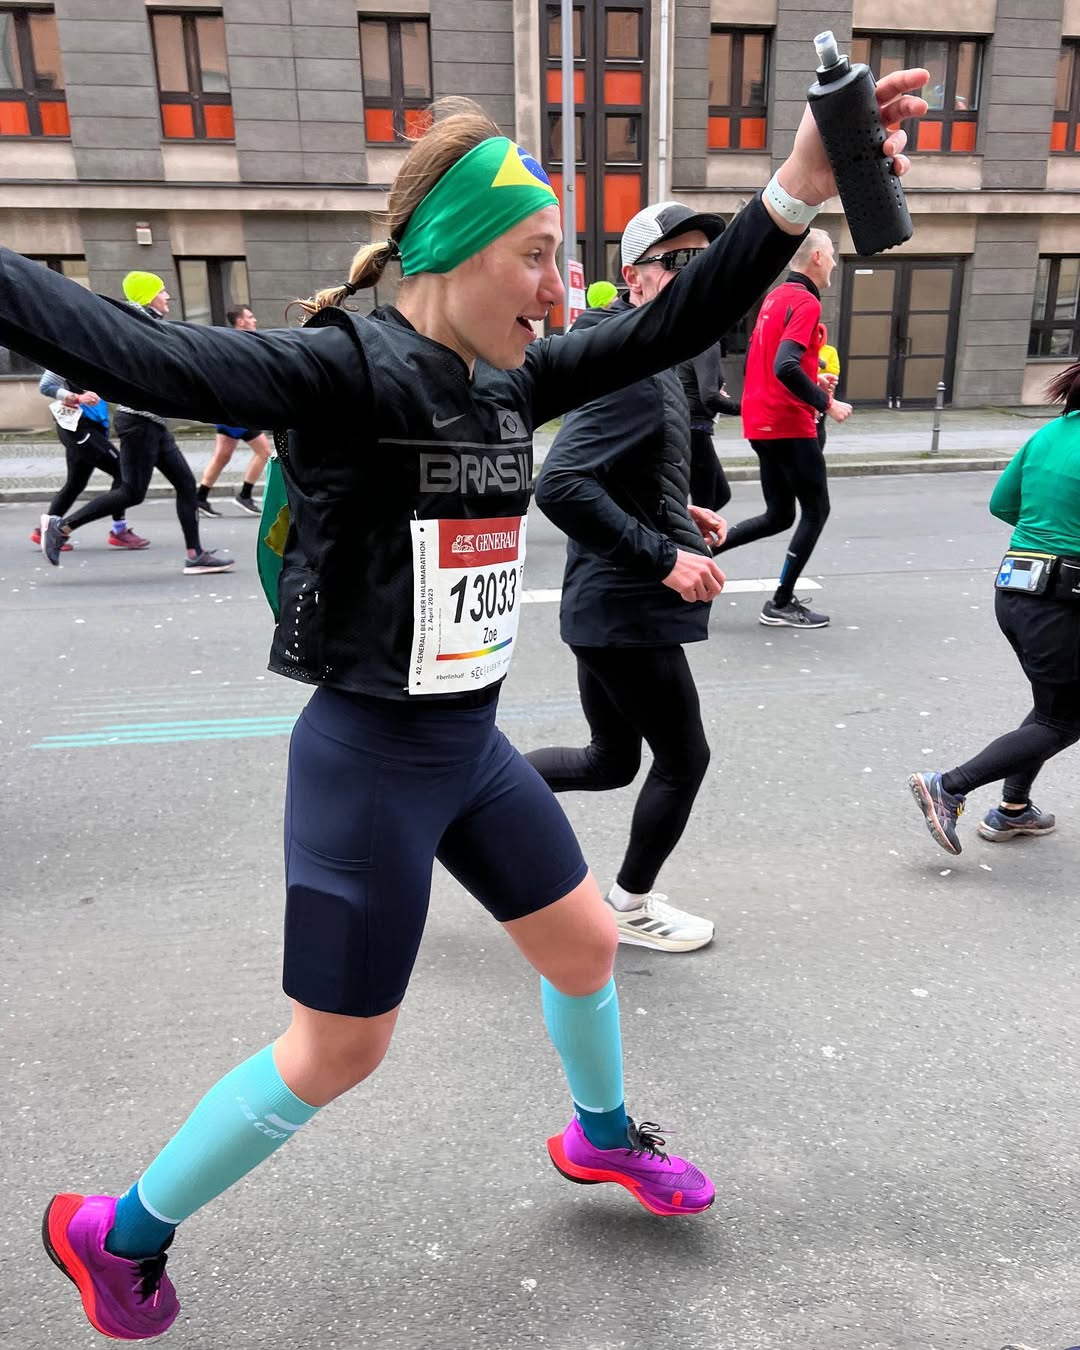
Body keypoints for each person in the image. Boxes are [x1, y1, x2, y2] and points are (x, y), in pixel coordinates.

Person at [0, 76, 925, 1340]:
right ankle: (117, 1234)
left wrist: (800, 185)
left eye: (564, 261)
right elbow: (136, 349)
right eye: (537, 258)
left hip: (470, 749)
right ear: (450, 254)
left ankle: (598, 1140)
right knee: (337, 1054)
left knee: (588, 944)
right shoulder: (340, 375)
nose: (560, 289)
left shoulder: (511, 383)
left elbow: (666, 326)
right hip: (369, 761)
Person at [528, 201, 732, 954]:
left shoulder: (654, 362)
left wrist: (678, 509)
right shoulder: (635, 369)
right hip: (625, 607)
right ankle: (631, 905)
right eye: (676, 262)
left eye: (703, 264)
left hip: (606, 608)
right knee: (685, 759)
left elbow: (609, 472)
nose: (693, 277)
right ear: (636, 279)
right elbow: (562, 485)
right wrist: (666, 557)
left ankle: (459, 804)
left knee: (611, 761)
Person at [908, 360, 1080, 855]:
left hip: (1016, 592)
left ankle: (1013, 809)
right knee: (1061, 720)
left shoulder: (1049, 433)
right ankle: (949, 785)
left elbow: (1004, 504)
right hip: (1058, 604)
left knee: (1056, 703)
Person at [37, 270, 234, 576]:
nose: (168, 295)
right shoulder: (137, 325)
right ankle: (62, 526)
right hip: (137, 423)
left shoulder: (151, 325)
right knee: (131, 491)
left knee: (184, 484)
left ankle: (195, 555)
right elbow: (51, 380)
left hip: (152, 421)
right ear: (148, 296)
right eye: (162, 290)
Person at [713, 229, 853, 629]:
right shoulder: (805, 301)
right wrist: (826, 402)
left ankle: (698, 560)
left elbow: (780, 362)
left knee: (778, 515)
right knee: (816, 510)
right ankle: (780, 602)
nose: (834, 263)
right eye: (831, 255)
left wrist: (817, 379)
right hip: (788, 423)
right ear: (816, 259)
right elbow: (785, 365)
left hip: (760, 421)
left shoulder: (775, 298)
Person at [31, 368, 149, 553]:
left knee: (75, 483)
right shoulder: (64, 354)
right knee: (121, 472)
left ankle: (43, 531)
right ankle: (119, 530)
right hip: (78, 427)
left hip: (91, 427)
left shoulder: (94, 355)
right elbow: (46, 386)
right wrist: (77, 398)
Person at [195, 305, 272, 518]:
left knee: (222, 455)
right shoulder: (238, 343)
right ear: (240, 322)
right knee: (264, 451)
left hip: (229, 408)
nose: (254, 320)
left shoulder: (239, 342)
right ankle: (245, 495)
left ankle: (200, 498)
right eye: (250, 316)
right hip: (237, 408)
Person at [679, 338, 740, 511]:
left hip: (685, 425)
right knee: (705, 505)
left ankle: (685, 534)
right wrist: (742, 409)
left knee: (720, 495)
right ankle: (684, 537)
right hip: (694, 427)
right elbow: (710, 397)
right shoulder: (707, 343)